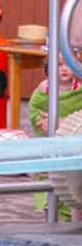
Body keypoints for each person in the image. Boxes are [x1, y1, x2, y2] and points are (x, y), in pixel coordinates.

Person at [29, 50, 82, 221]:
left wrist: (62, 123)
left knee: (73, 187)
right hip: (51, 148)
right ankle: (50, 222)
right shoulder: (44, 90)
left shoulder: (79, 91)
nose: (64, 69)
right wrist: (46, 125)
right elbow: (35, 110)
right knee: (49, 190)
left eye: (68, 63)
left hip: (73, 149)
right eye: (58, 64)